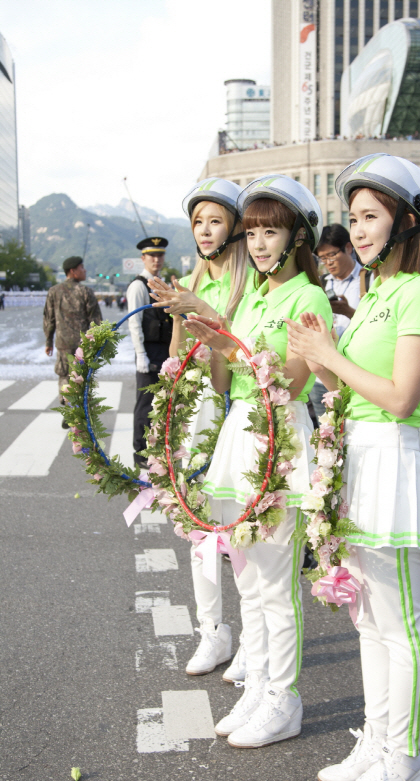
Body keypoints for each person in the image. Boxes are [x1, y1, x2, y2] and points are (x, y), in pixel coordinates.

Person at [286, 154, 420, 781]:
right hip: (359, 457)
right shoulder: (376, 293)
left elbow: (402, 394)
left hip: (393, 458)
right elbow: (351, 390)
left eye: (371, 216)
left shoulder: (419, 293)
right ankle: (378, 740)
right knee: (369, 621)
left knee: (400, 622)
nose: (356, 230)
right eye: (352, 217)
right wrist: (319, 359)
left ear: (406, 221)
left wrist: (329, 356)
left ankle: (404, 761)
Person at [185, 175, 332, 749]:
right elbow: (227, 381)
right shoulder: (254, 296)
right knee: (248, 581)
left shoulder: (308, 297)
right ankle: (259, 688)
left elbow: (291, 385)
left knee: (276, 585)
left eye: (272, 231)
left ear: (297, 236)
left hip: (278, 438)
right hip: (238, 434)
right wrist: (208, 337)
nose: (261, 242)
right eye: (253, 232)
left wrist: (227, 341)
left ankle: (284, 698)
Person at [147, 178, 252, 680]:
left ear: (234, 226)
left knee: (245, 530)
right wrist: (179, 317)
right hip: (196, 413)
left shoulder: (249, 281)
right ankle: (213, 632)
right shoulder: (191, 280)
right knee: (198, 531)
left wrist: (204, 318)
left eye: (215, 220)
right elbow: (173, 355)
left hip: (239, 413)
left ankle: (256, 638)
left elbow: (245, 355)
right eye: (198, 222)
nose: (205, 231)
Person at [126, 236, 171, 469]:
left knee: (160, 403)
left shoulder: (160, 284)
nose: (156, 259)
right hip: (148, 351)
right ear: (143, 258)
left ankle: (156, 448)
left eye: (160, 254)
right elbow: (135, 323)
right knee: (145, 403)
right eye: (152, 255)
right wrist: (140, 354)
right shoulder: (138, 286)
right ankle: (140, 452)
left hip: (163, 351)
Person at [310, 224, 363, 418]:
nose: (328, 263)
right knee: (326, 439)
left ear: (348, 248)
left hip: (355, 376)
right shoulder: (320, 283)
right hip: (320, 378)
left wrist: (348, 312)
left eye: (332, 255)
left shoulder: (369, 279)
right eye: (323, 258)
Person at [43, 256, 102, 427]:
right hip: (83, 345)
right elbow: (96, 320)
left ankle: (68, 407)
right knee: (82, 377)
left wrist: (48, 340)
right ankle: (81, 413)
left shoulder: (53, 291)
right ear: (72, 271)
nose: (84, 270)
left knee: (64, 375)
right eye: (82, 268)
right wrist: (98, 343)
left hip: (62, 343)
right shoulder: (86, 292)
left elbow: (49, 318)